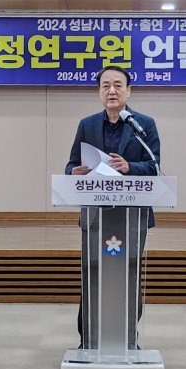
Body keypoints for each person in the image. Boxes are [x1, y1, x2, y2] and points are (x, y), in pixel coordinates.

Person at [64, 65, 161, 349]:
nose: (112, 91)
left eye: (118, 85)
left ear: (128, 91)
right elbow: (71, 164)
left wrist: (130, 167)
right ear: (99, 92)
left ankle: (128, 340)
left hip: (132, 216)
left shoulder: (144, 125)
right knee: (92, 272)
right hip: (96, 215)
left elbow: (154, 166)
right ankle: (88, 340)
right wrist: (73, 172)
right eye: (105, 85)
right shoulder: (87, 124)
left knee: (129, 274)